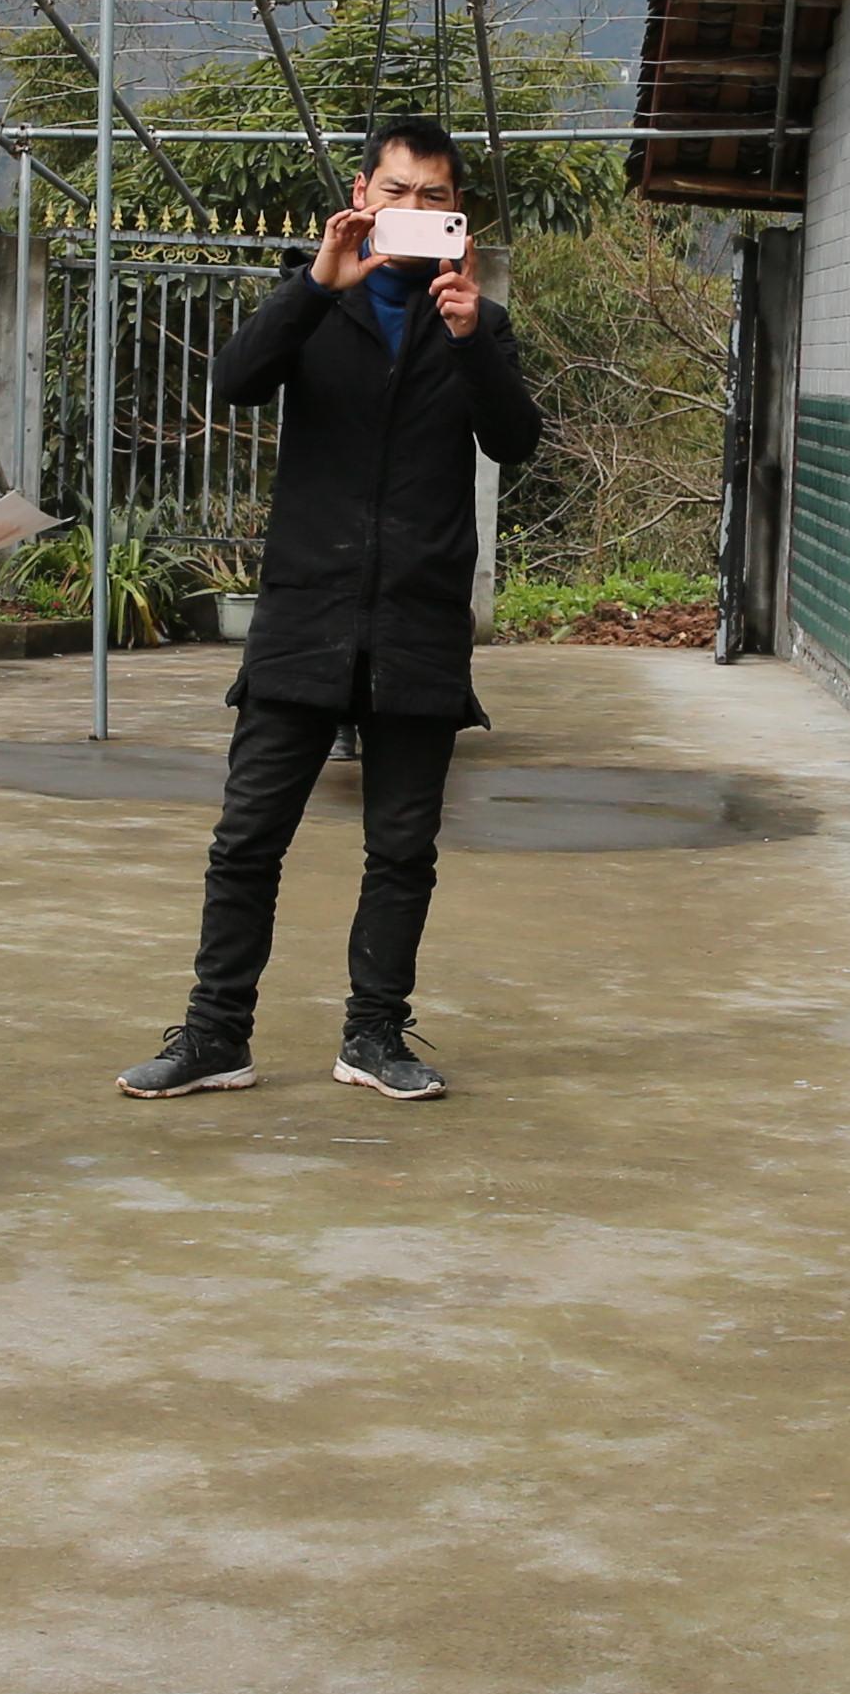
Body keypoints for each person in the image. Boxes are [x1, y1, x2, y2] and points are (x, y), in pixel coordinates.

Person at [119, 113, 538, 1107]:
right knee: (248, 836)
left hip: (418, 620)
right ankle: (217, 1035)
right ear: (362, 197)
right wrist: (316, 285)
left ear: (458, 216)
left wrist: (473, 335)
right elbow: (232, 381)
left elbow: (513, 440)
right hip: (306, 614)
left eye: (436, 198)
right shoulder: (319, 305)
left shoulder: (476, 321)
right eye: (397, 192)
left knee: (402, 848)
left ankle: (375, 1036)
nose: (415, 211)